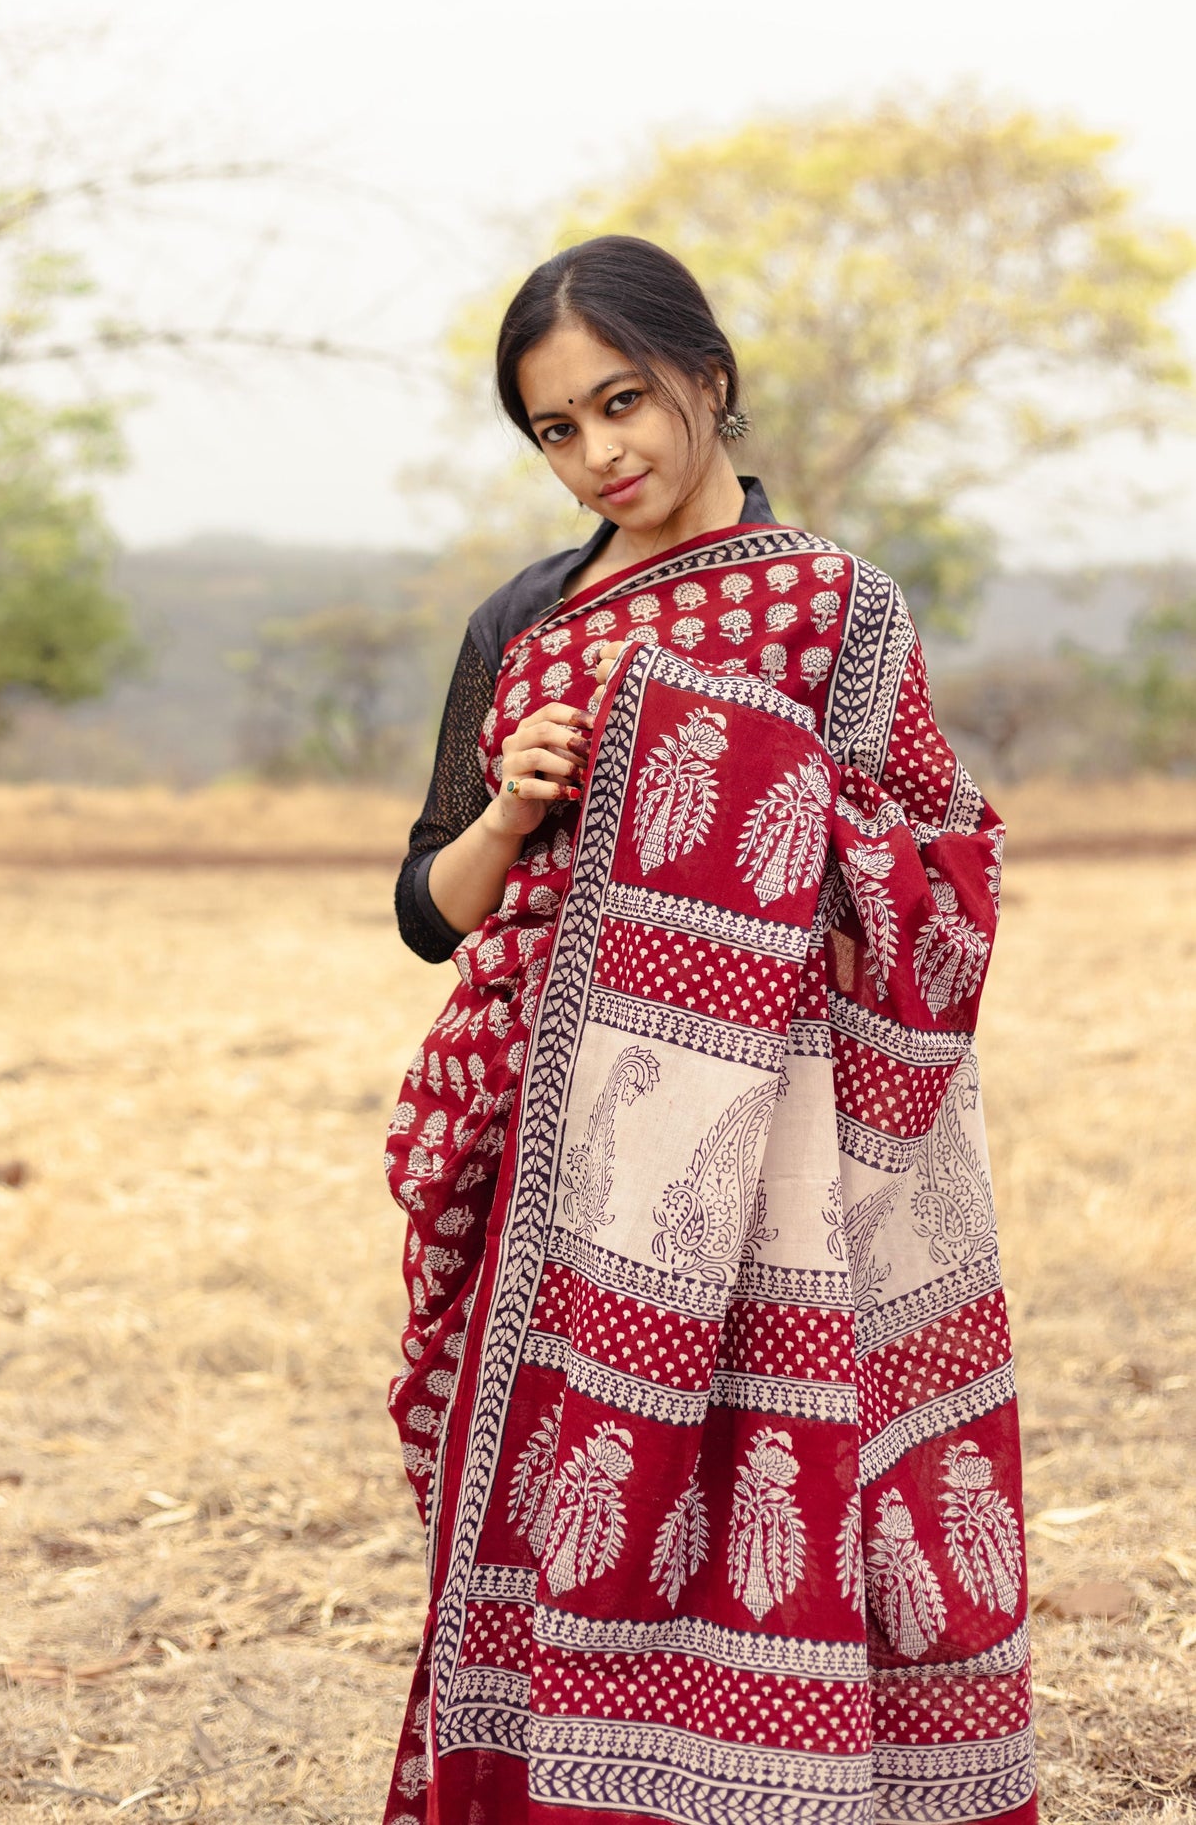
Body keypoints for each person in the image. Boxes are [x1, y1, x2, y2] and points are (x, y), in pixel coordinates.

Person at [384, 235, 1035, 1825]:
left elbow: (944, 872)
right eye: (555, 429)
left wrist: (737, 766)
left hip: (778, 1155)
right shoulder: (519, 624)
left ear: (709, 381)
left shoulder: (833, 604)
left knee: (778, 1483)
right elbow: (426, 904)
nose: (601, 452)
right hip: (555, 1143)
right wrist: (518, 797)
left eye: (624, 401)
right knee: (562, 1501)